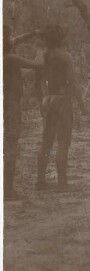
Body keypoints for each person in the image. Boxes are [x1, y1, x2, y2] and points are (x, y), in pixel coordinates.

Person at [37, 25, 87, 191]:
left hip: (48, 98)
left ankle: (40, 181)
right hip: (62, 100)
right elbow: (72, 82)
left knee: (46, 141)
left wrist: (42, 101)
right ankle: (62, 183)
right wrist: (82, 105)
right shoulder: (65, 57)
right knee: (63, 142)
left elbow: (38, 82)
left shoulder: (43, 56)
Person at [3, 25, 44, 199]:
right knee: (11, 144)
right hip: (11, 105)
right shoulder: (10, 58)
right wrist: (41, 50)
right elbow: (38, 64)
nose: (13, 38)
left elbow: (15, 40)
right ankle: (7, 190)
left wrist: (32, 32)